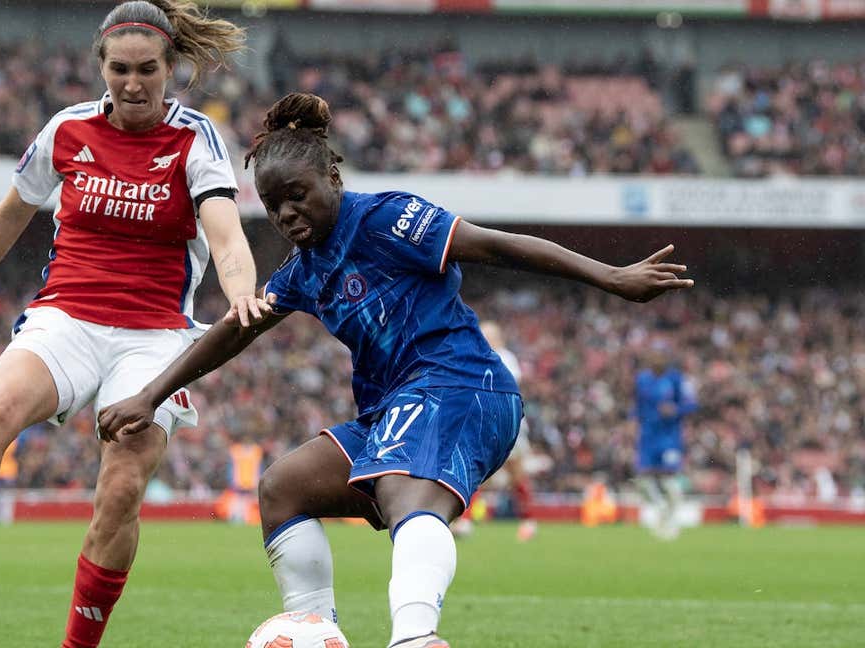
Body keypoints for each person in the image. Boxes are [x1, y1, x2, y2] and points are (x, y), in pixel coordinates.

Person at [97, 93, 694, 648]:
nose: (286, 213)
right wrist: (151, 395)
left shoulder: (389, 218)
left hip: (464, 385)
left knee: (400, 485)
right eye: (274, 205)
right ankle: (317, 631)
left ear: (332, 177)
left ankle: (415, 637)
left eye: (298, 195)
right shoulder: (305, 268)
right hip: (394, 407)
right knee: (283, 487)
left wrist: (611, 277)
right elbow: (237, 328)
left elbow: (499, 246)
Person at [0, 3, 261, 647]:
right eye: (119, 69)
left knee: (123, 483)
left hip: (154, 334)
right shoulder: (67, 130)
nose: (132, 83)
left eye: (147, 70)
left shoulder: (195, 140)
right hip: (66, 314)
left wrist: (242, 294)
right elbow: (9, 217)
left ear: (171, 68)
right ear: (100, 66)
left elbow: (228, 236)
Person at [449, 321, 537, 542]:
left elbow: (508, 388)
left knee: (516, 474)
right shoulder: (475, 357)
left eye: (489, 334)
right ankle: (464, 520)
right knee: (476, 473)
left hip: (508, 424)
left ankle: (529, 519)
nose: (484, 337)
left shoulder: (505, 358)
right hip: (484, 425)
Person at [634, 337, 697, 540]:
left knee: (669, 479)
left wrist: (676, 409)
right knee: (643, 480)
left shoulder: (676, 379)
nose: (657, 358)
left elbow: (692, 404)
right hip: (648, 436)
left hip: (669, 437)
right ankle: (660, 510)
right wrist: (631, 420)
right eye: (654, 354)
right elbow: (637, 405)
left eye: (661, 354)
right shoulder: (642, 379)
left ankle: (671, 521)